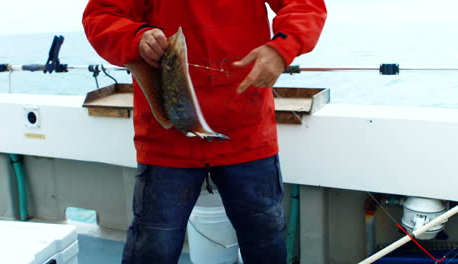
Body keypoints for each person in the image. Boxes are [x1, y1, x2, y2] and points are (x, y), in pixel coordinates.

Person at [83, 0, 326, 263]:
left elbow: (305, 5)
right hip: (167, 140)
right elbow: (102, 15)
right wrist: (136, 37)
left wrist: (282, 47)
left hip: (246, 133)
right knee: (154, 247)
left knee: (264, 241)